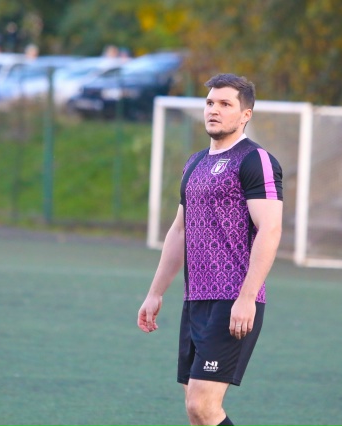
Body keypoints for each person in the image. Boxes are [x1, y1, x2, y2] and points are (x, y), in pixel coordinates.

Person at [137, 73, 283, 426]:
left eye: (225, 104)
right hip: (196, 299)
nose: (213, 110)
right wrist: (155, 293)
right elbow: (179, 230)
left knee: (203, 406)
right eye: (210, 103)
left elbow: (270, 229)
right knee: (195, 409)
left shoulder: (255, 160)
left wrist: (247, 297)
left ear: (245, 114)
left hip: (232, 298)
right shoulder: (195, 163)